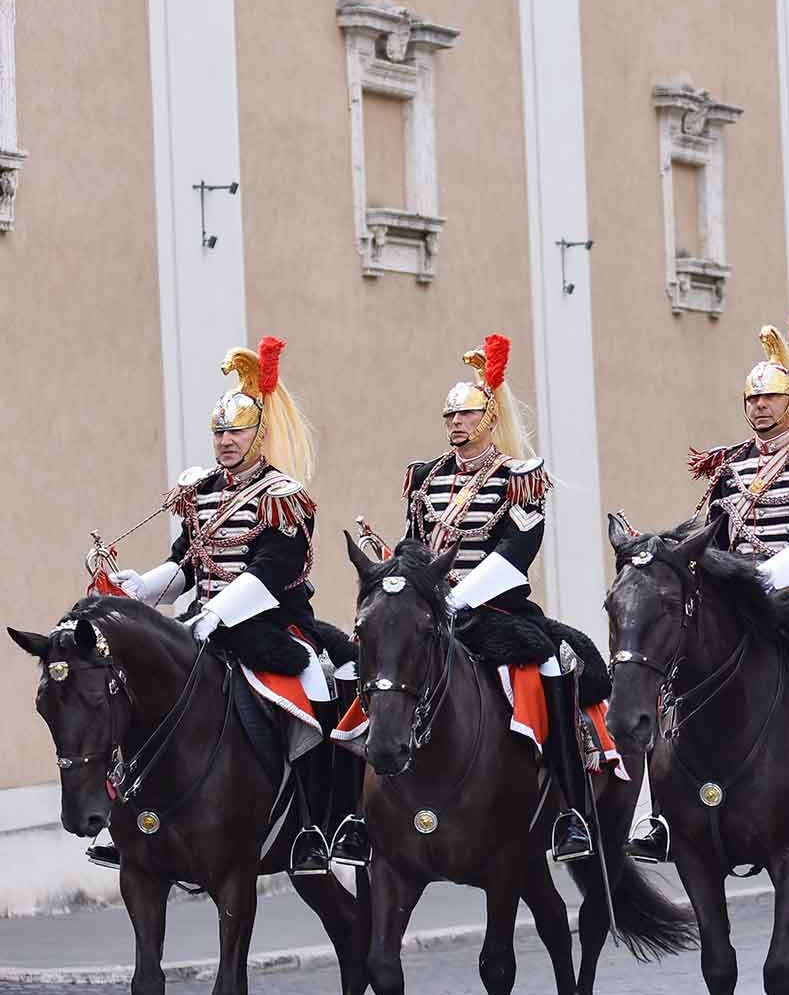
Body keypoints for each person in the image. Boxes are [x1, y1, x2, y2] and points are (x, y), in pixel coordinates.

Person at [331, 335, 593, 867]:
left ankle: (570, 808)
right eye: (450, 414)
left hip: (494, 608)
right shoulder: (427, 478)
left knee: (550, 662)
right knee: (360, 669)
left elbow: (517, 550)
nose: (455, 422)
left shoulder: (519, 478)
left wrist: (456, 598)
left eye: (467, 413)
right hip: (429, 608)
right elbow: (413, 543)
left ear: (489, 417)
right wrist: (398, 575)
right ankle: (351, 816)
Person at [630, 314, 789, 859]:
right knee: (667, 672)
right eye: (752, 400)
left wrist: (763, 576)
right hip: (735, 598)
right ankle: (660, 817)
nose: (760, 408)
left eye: (770, 399)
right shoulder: (729, 466)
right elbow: (708, 531)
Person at [106, 338, 339, 876]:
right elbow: (185, 565)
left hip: (268, 624)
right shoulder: (200, 490)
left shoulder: (282, 494)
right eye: (219, 432)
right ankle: (117, 819)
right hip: (203, 624)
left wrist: (217, 614)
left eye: (236, 431)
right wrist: (143, 587)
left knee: (315, 681)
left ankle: (314, 824)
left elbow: (271, 572)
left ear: (259, 434)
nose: (226, 441)